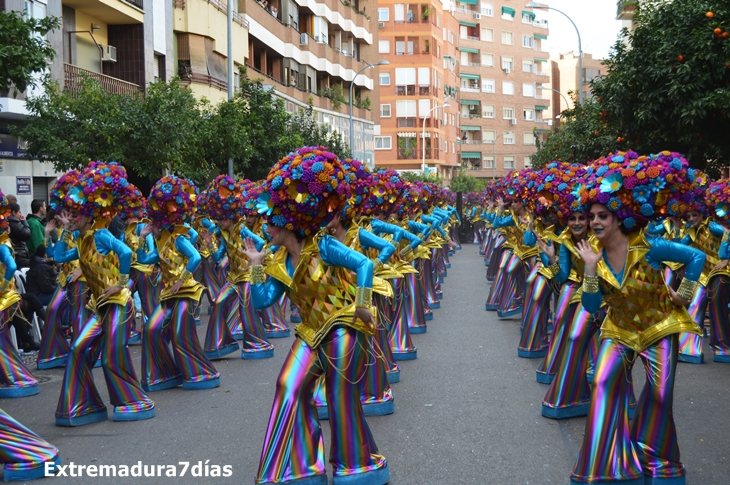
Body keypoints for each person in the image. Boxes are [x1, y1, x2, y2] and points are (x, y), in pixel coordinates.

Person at [247, 146, 389, 485]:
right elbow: (262, 302)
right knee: (288, 386)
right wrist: (254, 269)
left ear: (287, 223)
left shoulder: (324, 245)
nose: (264, 227)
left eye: (269, 222)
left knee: (341, 399)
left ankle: (358, 466)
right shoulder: (278, 262)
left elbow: (365, 263)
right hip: (309, 334)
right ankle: (298, 467)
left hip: (341, 327)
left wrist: (364, 303)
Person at [570, 151, 704, 485]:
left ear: (619, 218)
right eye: (592, 217)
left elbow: (697, 257)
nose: (595, 222)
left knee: (660, 396)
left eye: (602, 216)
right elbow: (590, 305)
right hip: (618, 331)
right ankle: (606, 465)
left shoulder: (650, 247)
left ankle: (656, 461)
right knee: (601, 383)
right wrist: (588, 269)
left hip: (659, 329)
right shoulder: (592, 255)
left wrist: (683, 295)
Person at [54, 161, 155, 426]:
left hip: (118, 302)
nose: (71, 217)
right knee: (77, 349)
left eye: (75, 215)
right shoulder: (82, 239)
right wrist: (65, 230)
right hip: (98, 306)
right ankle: (85, 406)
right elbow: (58, 256)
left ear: (89, 215)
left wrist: (121, 283)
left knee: (111, 355)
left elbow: (124, 252)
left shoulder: (100, 234)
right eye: (69, 214)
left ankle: (133, 400)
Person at [137, 176, 220, 391]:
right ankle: (164, 374)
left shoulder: (179, 238)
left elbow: (195, 258)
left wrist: (180, 281)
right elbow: (145, 260)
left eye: (153, 222)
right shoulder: (161, 241)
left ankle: (201, 373)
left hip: (186, 292)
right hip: (169, 295)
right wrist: (141, 238)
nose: (151, 225)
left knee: (180, 334)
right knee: (150, 329)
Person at [8, 203, 31, 268]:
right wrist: (24, 222)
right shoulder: (13, 222)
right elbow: (26, 234)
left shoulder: (11, 222)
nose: (20, 215)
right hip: (19, 254)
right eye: (19, 212)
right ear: (14, 212)